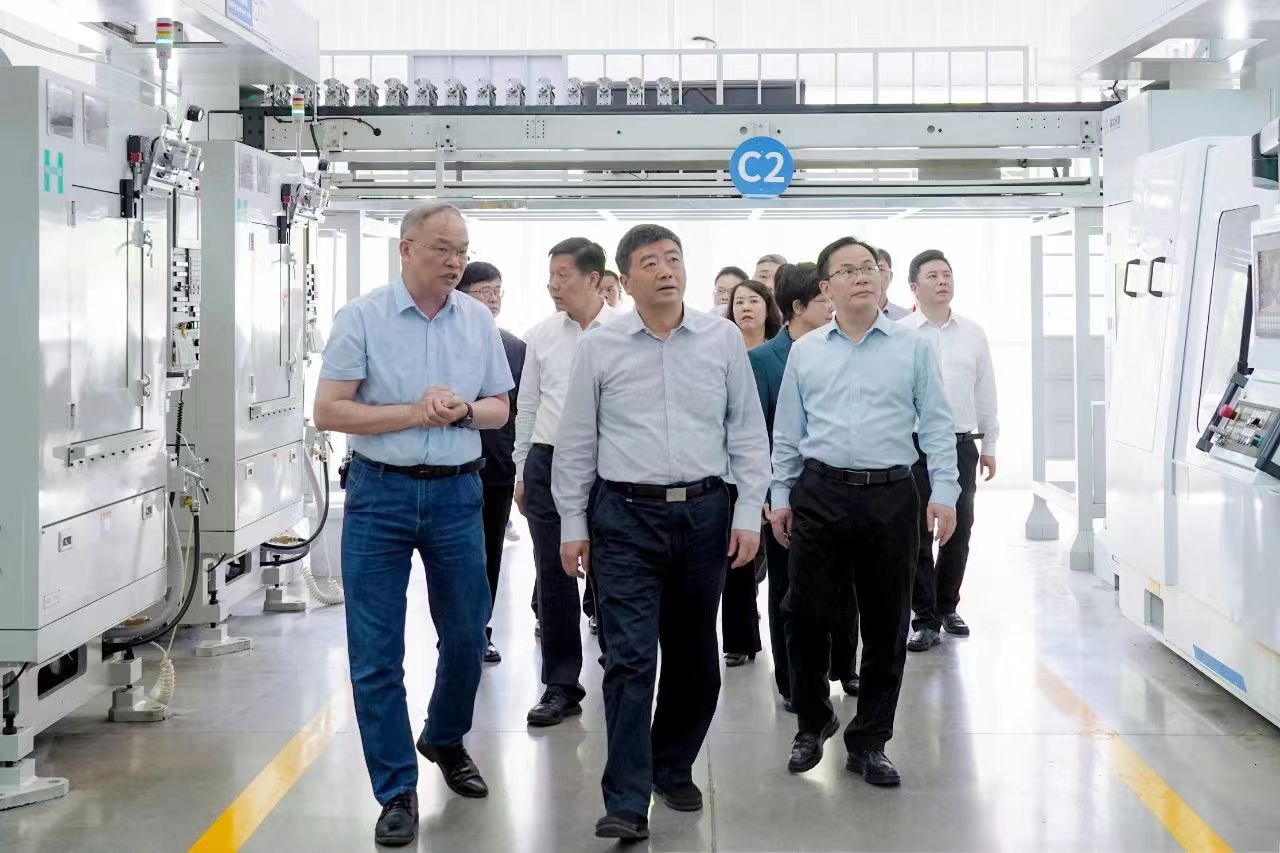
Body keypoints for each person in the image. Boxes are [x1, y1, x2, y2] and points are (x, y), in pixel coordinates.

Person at [553, 224, 771, 841]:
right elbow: (577, 438)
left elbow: (747, 430)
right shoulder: (600, 346)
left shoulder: (720, 339)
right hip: (624, 516)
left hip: (705, 513)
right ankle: (625, 797)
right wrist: (573, 522)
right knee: (629, 659)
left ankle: (672, 764)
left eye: (673, 258)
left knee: (697, 659)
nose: (666, 270)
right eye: (650, 262)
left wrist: (747, 512)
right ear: (625, 279)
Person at [314, 202, 514, 848]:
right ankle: (396, 787)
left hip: (457, 493)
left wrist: (462, 411)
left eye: (462, 250)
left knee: (467, 634)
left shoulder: (477, 321)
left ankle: (445, 737)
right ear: (405, 249)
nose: (455, 262)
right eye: (441, 249)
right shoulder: (363, 317)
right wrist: (412, 412)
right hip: (380, 494)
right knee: (376, 650)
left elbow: (499, 406)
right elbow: (329, 410)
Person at [769, 236, 958, 788]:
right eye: (847, 270)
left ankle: (870, 740)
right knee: (802, 614)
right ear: (825, 287)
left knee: (886, 622)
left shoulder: (912, 347)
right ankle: (813, 721)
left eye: (869, 267)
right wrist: (780, 495)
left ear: (882, 278)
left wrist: (945, 492)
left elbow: (937, 423)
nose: (861, 277)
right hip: (820, 491)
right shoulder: (807, 351)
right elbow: (788, 432)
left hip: (891, 496)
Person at [515, 237, 619, 727]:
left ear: (594, 279)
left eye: (563, 275)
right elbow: (528, 406)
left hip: (610, 466)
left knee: (615, 572)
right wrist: (522, 470)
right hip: (548, 461)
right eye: (550, 276)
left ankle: (622, 670)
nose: (553, 285)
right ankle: (560, 684)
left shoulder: (627, 331)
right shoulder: (540, 335)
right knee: (553, 574)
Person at [748, 263, 860, 711]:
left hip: (838, 489)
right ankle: (793, 681)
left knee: (845, 584)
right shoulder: (763, 360)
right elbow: (756, 433)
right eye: (822, 299)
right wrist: (764, 493)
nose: (832, 305)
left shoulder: (841, 349)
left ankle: (845, 666)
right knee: (788, 591)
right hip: (787, 492)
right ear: (796, 307)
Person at [899, 250, 999, 652]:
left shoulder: (973, 333)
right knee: (918, 534)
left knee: (959, 531)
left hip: (960, 444)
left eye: (947, 274)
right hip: (913, 446)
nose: (942, 281)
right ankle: (923, 618)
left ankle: (947, 606)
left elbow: (985, 389)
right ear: (914, 286)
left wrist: (990, 443)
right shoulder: (901, 333)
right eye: (933, 275)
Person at [456, 261, 525, 665]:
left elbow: (523, 410)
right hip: (451, 466)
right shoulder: (445, 341)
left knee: (489, 554)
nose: (494, 298)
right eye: (485, 291)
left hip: (496, 467)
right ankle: (455, 633)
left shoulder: (514, 347)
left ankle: (480, 632)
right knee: (454, 558)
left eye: (498, 290)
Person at [718, 278, 782, 667]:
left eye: (753, 300)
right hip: (729, 469)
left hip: (776, 466)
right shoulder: (722, 350)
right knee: (737, 560)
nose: (745, 307)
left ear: (768, 308)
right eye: (738, 301)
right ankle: (740, 639)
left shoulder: (778, 353)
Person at [876, 248, 912, 320]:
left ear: (891, 276)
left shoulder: (907, 318)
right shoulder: (851, 316)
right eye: (869, 269)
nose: (875, 275)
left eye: (880, 269)